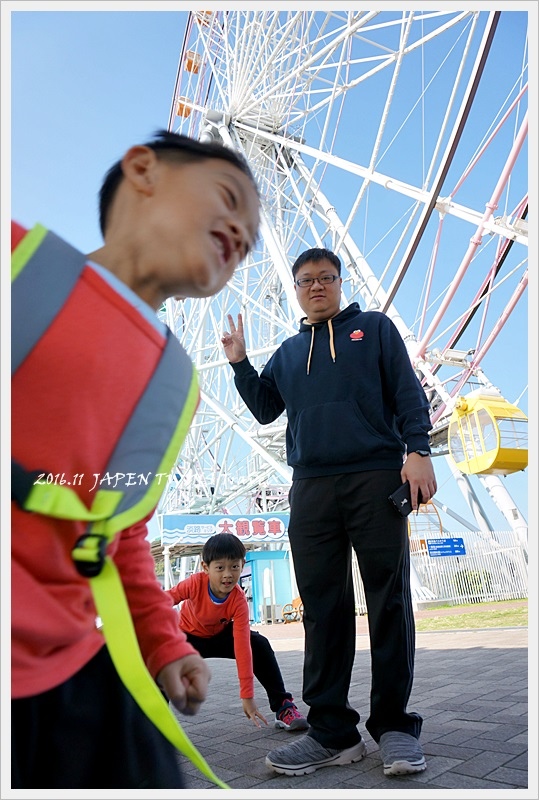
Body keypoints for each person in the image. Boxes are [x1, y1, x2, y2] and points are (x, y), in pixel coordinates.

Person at [11, 130, 260, 789]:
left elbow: (117, 535)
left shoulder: (175, 388)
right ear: (143, 170)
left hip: (71, 663)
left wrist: (163, 643)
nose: (242, 231)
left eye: (253, 237)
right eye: (230, 198)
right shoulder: (17, 262)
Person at [221, 247, 437, 777]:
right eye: (305, 281)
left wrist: (417, 450)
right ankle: (333, 731)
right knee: (321, 607)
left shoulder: (376, 330)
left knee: (388, 601)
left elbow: (408, 394)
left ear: (340, 283)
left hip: (373, 476)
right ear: (295, 290)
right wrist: (239, 363)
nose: (316, 286)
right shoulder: (291, 352)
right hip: (311, 486)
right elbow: (267, 407)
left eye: (325, 278)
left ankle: (393, 727)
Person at [165, 532, 308, 732]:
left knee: (258, 644)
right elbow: (161, 602)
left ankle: (283, 707)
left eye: (234, 566)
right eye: (220, 567)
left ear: (242, 564)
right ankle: (156, 723)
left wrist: (247, 696)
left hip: (219, 635)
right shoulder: (194, 583)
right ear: (205, 568)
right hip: (187, 636)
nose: (228, 574)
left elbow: (242, 647)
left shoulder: (238, 600)